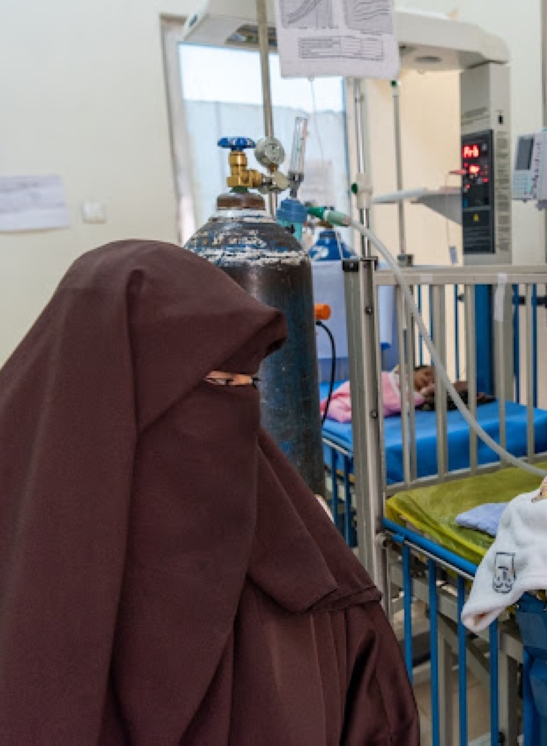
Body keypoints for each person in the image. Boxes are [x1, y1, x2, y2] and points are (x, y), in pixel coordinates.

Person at [0, 240, 419, 744]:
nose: (234, 406)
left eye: (246, 383)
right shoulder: (33, 560)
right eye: (216, 382)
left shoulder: (291, 546)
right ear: (114, 395)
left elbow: (369, 692)